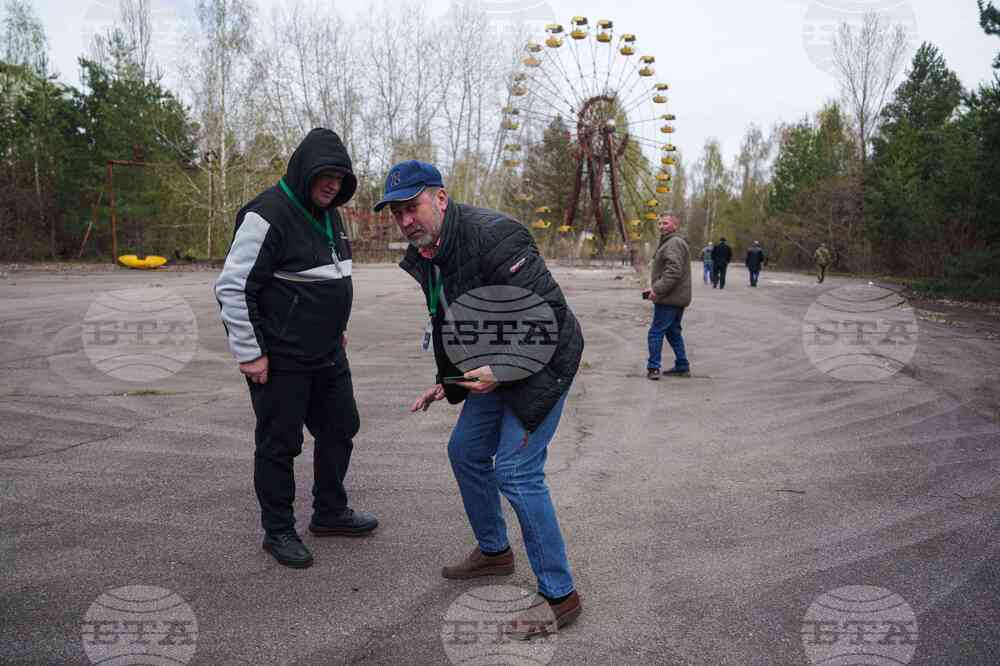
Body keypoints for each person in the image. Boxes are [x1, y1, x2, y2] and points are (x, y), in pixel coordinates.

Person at [379, 160, 583, 639]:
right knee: (466, 451)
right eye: (397, 212)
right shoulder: (430, 252)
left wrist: (503, 370)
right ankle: (494, 551)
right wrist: (448, 382)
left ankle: (561, 595)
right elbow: (451, 323)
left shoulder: (497, 237)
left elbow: (547, 319)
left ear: (441, 198)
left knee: (515, 469)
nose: (406, 220)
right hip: (495, 367)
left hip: (544, 360)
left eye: (413, 206)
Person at [215, 128, 377, 570]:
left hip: (327, 353)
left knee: (341, 427)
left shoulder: (329, 214)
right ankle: (279, 530)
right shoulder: (266, 214)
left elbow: (329, 277)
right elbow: (233, 287)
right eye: (325, 175)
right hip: (280, 357)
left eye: (341, 178)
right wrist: (250, 352)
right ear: (304, 170)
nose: (333, 185)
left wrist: (336, 326)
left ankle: (329, 513)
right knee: (279, 444)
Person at [644, 214, 692, 380]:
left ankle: (653, 368)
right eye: (659, 223)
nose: (661, 226)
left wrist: (657, 289)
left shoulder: (673, 243)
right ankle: (682, 365)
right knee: (673, 331)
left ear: (675, 225)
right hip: (676, 296)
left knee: (655, 332)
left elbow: (673, 271)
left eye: (665, 223)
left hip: (670, 298)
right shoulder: (671, 242)